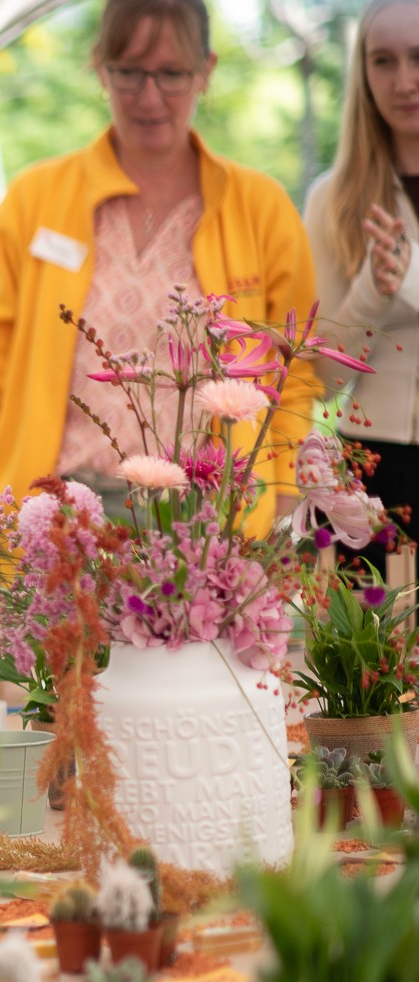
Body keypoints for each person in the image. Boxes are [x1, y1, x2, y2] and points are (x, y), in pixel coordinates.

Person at [0, 0, 319, 594]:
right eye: (128, 72)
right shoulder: (35, 200)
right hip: (56, 519)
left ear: (206, 70)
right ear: (98, 66)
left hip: (211, 529)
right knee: (45, 685)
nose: (149, 97)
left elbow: (293, 380)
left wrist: (285, 524)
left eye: (172, 74)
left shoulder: (260, 208)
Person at [306, 0, 419, 570]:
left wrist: (410, 274)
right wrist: (372, 291)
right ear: (363, 74)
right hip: (370, 470)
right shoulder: (334, 199)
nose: (404, 81)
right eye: (383, 61)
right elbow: (325, 381)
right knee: (372, 658)